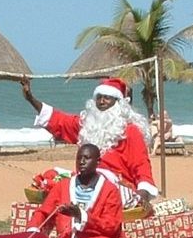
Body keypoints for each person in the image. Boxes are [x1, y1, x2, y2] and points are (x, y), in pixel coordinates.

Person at [20, 76, 158, 207]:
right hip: (85, 183)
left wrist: (143, 193)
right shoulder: (87, 125)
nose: (102, 102)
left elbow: (141, 166)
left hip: (117, 187)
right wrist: (31, 99)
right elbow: (59, 120)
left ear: (118, 103)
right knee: (51, 176)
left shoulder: (130, 131)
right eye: (99, 97)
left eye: (107, 98)